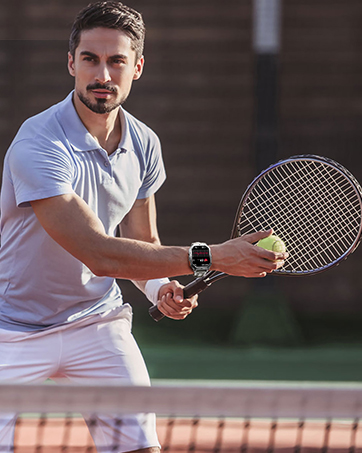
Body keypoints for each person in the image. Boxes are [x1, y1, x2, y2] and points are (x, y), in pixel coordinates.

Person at [0, 2, 287, 452]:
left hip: (95, 324)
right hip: (10, 328)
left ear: (137, 67)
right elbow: (99, 252)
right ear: (71, 63)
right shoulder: (38, 143)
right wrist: (214, 255)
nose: (103, 75)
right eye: (91, 59)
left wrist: (159, 289)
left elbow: (140, 243)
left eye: (116, 61)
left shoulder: (144, 143)